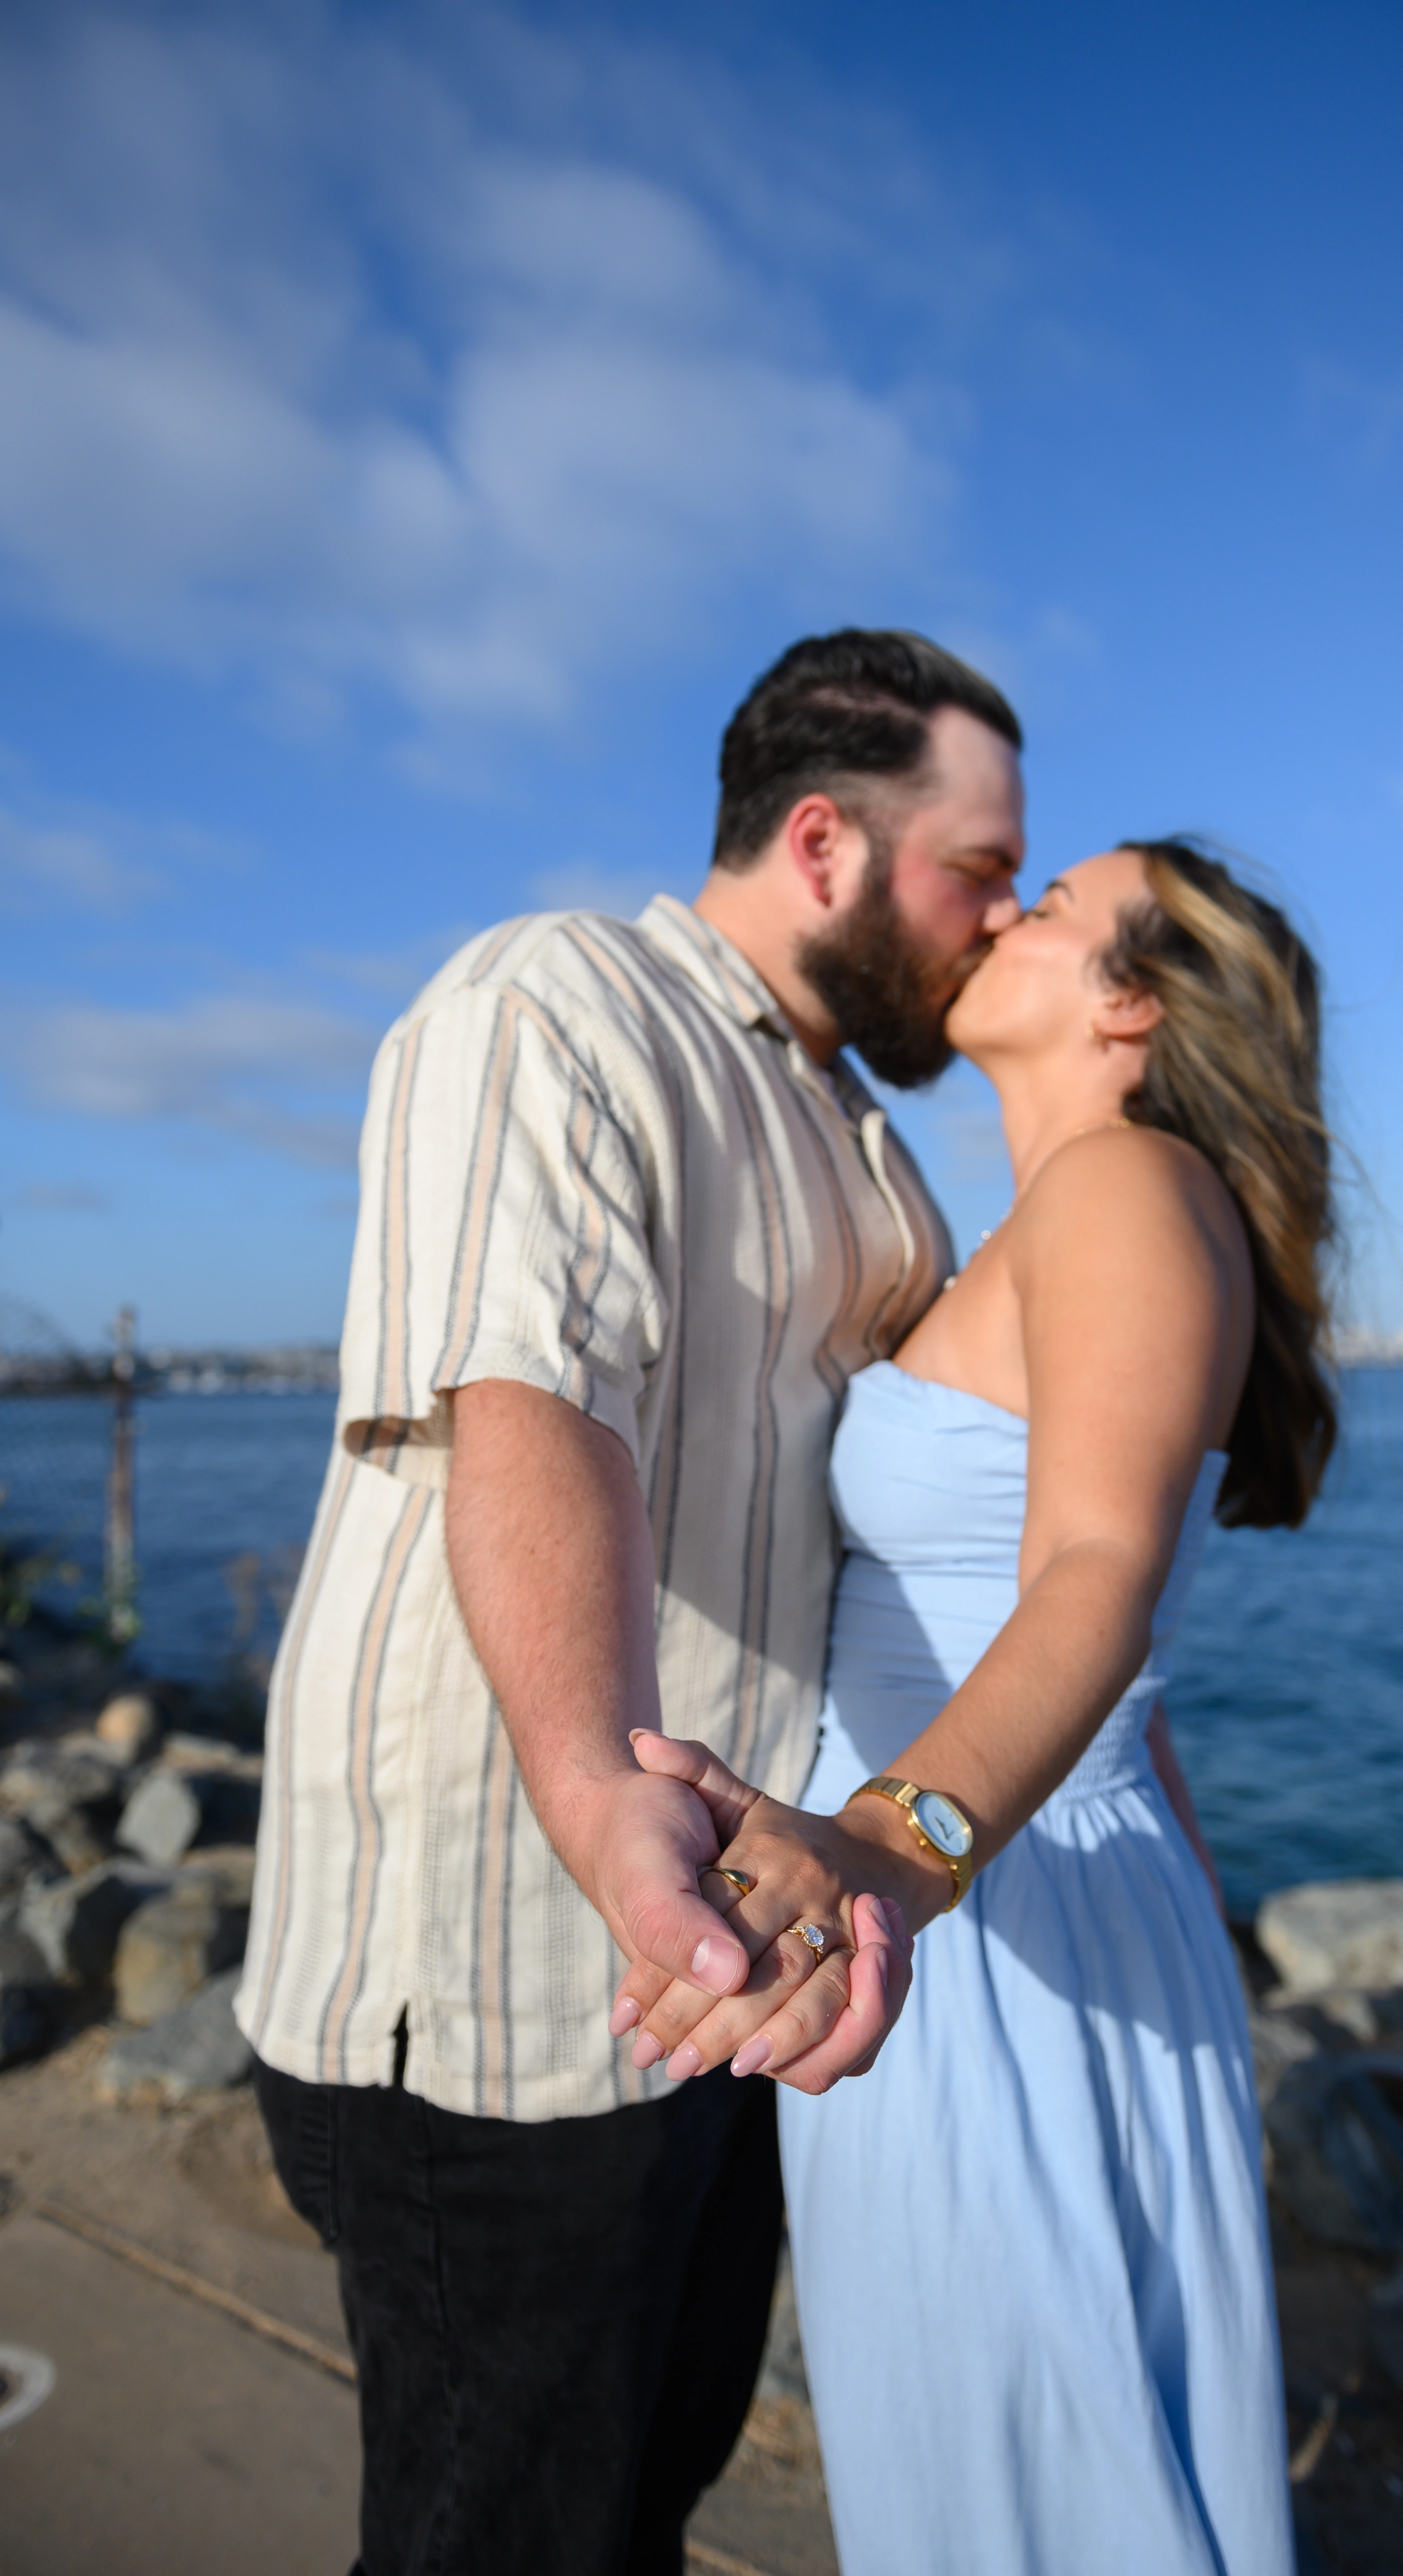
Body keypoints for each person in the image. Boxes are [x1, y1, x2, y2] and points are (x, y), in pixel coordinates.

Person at [234, 628, 1029, 2575]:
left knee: (639, 2500)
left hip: (728, 1967)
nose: (998, 917)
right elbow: (530, 1398)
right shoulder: (555, 1004)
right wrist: (596, 1787)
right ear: (827, 841)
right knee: (499, 2540)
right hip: (504, 1978)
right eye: (978, 867)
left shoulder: (870, 1145)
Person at [615, 838, 1337, 2575]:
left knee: (1035, 2471)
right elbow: (1120, 1657)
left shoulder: (1124, 1190)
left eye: (1053, 904)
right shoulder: (1045, 1222)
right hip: (1000, 1884)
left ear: (1131, 1003)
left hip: (973, 1893)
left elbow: (1095, 1569)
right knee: (989, 2457)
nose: (1002, 913)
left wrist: (884, 1841)